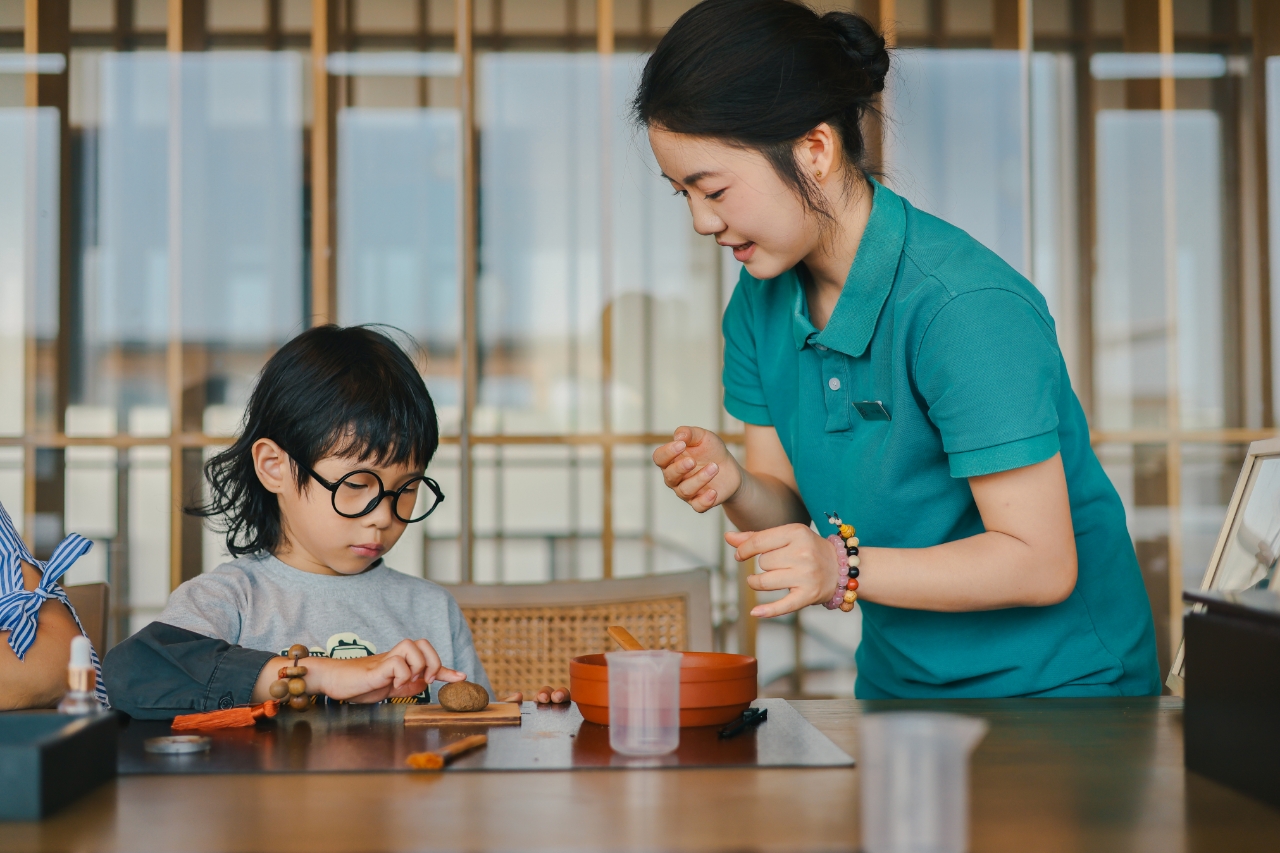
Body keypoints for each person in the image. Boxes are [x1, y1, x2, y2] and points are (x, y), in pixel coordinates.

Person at [639, 0, 1160, 698]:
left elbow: (1039, 563)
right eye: (682, 195)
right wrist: (734, 483)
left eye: (715, 190)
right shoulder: (758, 305)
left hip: (1061, 693)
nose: (703, 222)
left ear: (814, 150)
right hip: (900, 687)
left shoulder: (962, 307)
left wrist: (839, 569)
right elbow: (790, 511)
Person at [104, 326, 568, 717]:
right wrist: (322, 673)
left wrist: (526, 717)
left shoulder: (430, 609)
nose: (384, 517)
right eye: (355, 485)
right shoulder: (231, 601)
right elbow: (132, 675)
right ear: (274, 467)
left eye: (406, 490)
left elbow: (466, 724)